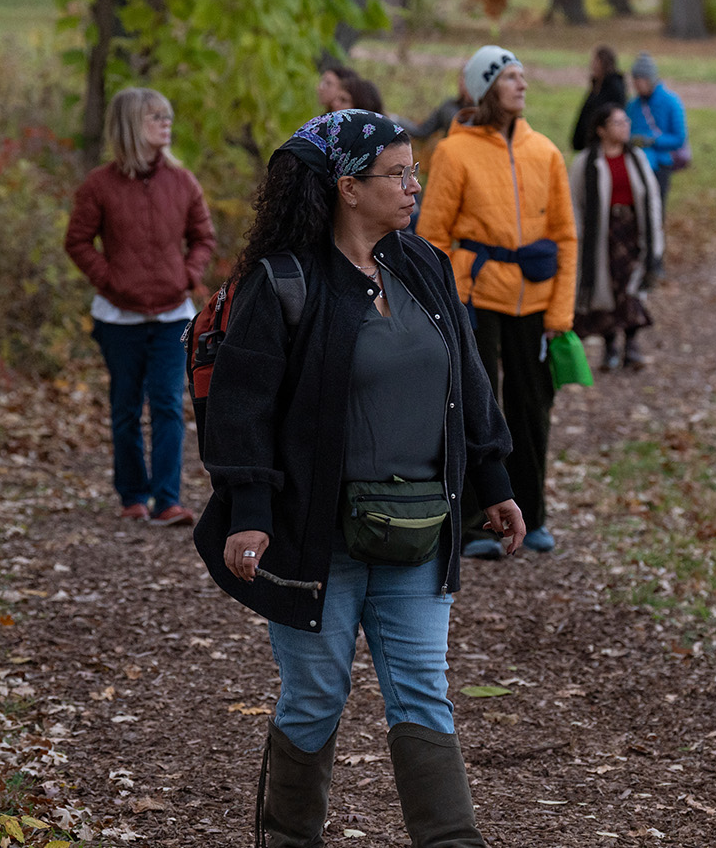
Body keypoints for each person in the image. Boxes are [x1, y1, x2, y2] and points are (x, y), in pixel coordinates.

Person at [194, 109, 527, 848]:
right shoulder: (282, 283)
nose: (415, 186)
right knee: (315, 697)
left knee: (424, 695)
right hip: (315, 537)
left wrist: (496, 481)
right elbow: (241, 412)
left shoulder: (423, 265)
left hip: (417, 527)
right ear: (347, 187)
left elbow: (469, 381)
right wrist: (249, 511)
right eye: (398, 174)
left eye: (416, 171)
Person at [417, 45, 578, 560]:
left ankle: (532, 514)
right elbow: (433, 236)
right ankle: (474, 522)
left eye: (523, 76)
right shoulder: (453, 152)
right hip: (474, 299)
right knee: (473, 408)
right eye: (510, 77)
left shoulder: (546, 153)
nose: (522, 85)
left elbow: (566, 237)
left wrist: (560, 314)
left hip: (534, 300)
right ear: (486, 88)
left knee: (533, 407)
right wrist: (443, 305)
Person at [62, 87, 215, 526]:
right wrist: (110, 280)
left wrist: (187, 276)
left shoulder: (183, 183)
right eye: (155, 118)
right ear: (131, 126)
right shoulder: (99, 185)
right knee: (126, 406)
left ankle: (167, 499)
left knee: (167, 403)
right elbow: (77, 241)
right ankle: (133, 494)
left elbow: (203, 237)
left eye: (168, 117)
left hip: (173, 317)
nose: (166, 124)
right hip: (118, 318)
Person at [569, 106, 665, 373]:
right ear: (601, 129)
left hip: (633, 234)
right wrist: (577, 235)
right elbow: (574, 202)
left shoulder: (637, 159)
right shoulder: (586, 163)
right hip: (600, 236)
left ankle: (632, 344)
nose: (624, 127)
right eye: (617, 122)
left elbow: (652, 198)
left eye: (626, 121)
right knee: (606, 289)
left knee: (630, 288)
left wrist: (655, 238)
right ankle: (610, 343)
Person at [624, 51, 688, 272]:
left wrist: (652, 141)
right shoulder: (632, 106)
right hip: (635, 165)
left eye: (640, 79)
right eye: (634, 79)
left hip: (660, 165)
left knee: (655, 213)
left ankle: (655, 260)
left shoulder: (671, 102)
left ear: (650, 79)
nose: (636, 84)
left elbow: (679, 137)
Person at [569, 45, 628, 152]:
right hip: (590, 143)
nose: (592, 65)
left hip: (603, 142)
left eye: (596, 61)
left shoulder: (614, 87)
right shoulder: (596, 86)